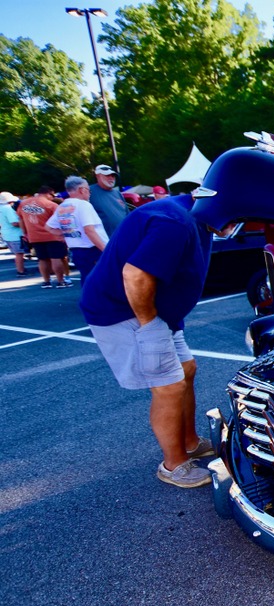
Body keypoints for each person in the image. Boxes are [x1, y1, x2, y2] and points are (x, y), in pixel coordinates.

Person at [80, 193, 233, 487]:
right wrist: (149, 324)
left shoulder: (192, 214)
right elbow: (135, 276)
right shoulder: (175, 222)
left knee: (187, 369)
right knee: (169, 386)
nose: (236, 226)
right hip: (125, 311)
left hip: (156, 313)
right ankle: (174, 465)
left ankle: (189, 441)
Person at [47, 176, 108, 284]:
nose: (89, 193)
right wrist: (106, 249)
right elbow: (89, 230)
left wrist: (67, 233)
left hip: (76, 249)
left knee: (87, 279)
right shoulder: (84, 205)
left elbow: (49, 227)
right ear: (82, 190)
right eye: (88, 190)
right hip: (93, 249)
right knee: (101, 280)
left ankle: (88, 300)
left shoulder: (62, 206)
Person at [17, 186, 69, 288]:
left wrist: (25, 233)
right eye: (52, 195)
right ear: (48, 193)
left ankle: (46, 281)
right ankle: (61, 281)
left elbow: (21, 220)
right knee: (56, 258)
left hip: (34, 236)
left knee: (42, 259)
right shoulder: (51, 205)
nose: (53, 197)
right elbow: (60, 221)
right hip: (52, 235)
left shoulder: (23, 204)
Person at [89, 164, 131, 237]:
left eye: (113, 175)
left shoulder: (117, 193)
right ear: (97, 176)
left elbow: (127, 214)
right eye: (107, 175)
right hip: (105, 240)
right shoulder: (89, 192)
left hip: (124, 237)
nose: (111, 178)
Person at [0, 191, 28, 277]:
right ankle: (21, 271)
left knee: (17, 253)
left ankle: (21, 269)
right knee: (19, 254)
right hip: (15, 234)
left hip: (6, 234)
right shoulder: (8, 208)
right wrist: (26, 224)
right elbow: (15, 223)